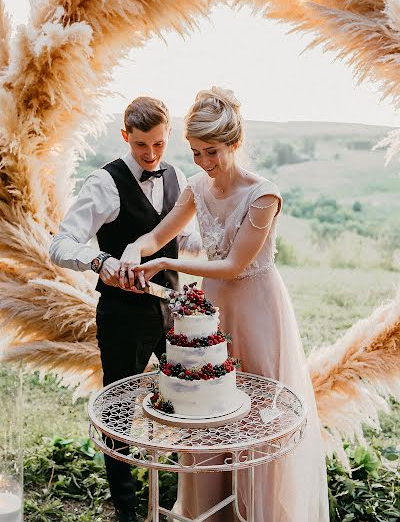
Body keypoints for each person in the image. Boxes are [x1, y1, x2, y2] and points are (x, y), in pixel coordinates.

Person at [118, 87, 330, 522]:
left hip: (257, 309)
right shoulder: (197, 186)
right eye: (195, 153)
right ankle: (212, 511)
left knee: (258, 418)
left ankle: (261, 510)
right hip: (212, 309)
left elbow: (234, 265)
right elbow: (156, 235)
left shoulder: (263, 195)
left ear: (235, 143)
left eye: (211, 152)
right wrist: (132, 253)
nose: (203, 164)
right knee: (209, 410)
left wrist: (163, 262)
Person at [49, 96, 201, 522]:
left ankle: (185, 487)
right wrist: (101, 262)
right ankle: (127, 507)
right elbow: (60, 244)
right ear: (125, 137)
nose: (151, 155)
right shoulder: (104, 183)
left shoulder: (179, 177)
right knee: (120, 412)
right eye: (140, 146)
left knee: (194, 394)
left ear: (167, 136)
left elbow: (176, 239)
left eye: (157, 144)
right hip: (123, 317)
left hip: (173, 311)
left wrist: (206, 247)